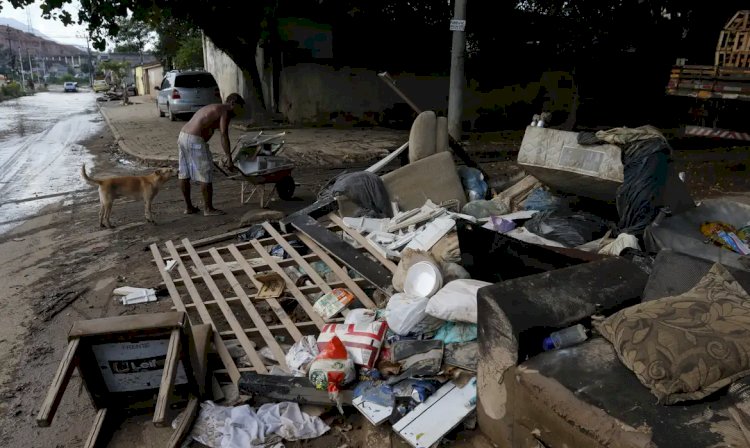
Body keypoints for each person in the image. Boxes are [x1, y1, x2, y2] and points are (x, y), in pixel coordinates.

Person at [178, 93, 245, 216]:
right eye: (240, 108)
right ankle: (208, 209)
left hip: (183, 135)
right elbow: (224, 135)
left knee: (184, 173)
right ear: (233, 103)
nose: (240, 112)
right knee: (205, 173)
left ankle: (189, 208)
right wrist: (229, 158)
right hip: (195, 139)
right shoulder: (225, 111)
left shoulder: (215, 107)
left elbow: (209, 128)